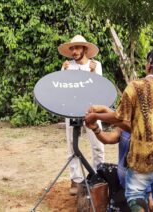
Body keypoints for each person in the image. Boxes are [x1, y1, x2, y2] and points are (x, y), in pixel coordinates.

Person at [85, 48, 153, 211]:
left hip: (142, 159)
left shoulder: (135, 87)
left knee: (135, 196)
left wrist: (96, 117)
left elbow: (119, 118)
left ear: (149, 65)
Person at [58, 34, 105, 195]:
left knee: (98, 144)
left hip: (92, 110)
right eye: (72, 48)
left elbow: (99, 88)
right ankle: (75, 180)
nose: (74, 51)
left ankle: (99, 177)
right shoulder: (67, 66)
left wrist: (93, 73)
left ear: (85, 49)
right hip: (71, 109)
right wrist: (63, 72)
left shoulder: (95, 65)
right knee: (72, 144)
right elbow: (61, 88)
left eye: (77, 47)